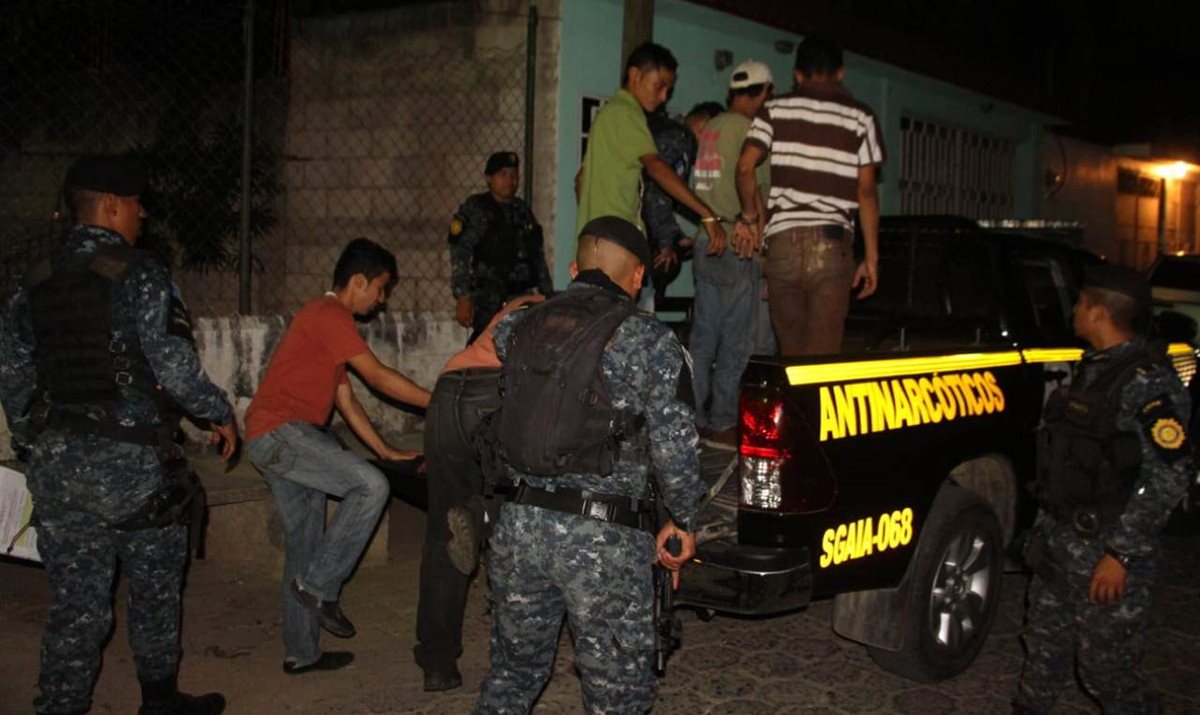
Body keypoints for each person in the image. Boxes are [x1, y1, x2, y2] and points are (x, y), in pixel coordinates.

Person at [0, 154, 237, 715]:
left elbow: (13, 374)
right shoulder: (140, 273)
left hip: (58, 467)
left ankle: (60, 704)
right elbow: (175, 368)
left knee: (76, 602)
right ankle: (160, 701)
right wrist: (219, 412)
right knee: (154, 589)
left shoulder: (30, 279)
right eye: (136, 204)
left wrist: (35, 440)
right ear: (110, 205)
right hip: (133, 471)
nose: (143, 214)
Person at [475, 216, 703, 714]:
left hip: (519, 526)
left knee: (512, 677)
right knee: (616, 694)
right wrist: (682, 520)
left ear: (574, 269)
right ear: (638, 276)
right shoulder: (650, 341)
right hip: (603, 542)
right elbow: (676, 446)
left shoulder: (517, 326)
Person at [244, 238, 431, 676]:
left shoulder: (325, 322)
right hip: (282, 433)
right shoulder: (329, 314)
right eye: (381, 289)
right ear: (359, 281)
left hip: (280, 437)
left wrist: (385, 449)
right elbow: (377, 377)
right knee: (371, 486)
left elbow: (346, 400)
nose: (381, 300)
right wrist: (437, 400)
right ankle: (320, 587)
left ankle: (302, 652)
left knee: (306, 545)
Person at [1014, 265, 1193, 714]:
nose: (1073, 310)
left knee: (1104, 671)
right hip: (1061, 546)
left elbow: (1170, 475)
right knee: (1043, 656)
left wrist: (1122, 555)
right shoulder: (1093, 369)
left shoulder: (1148, 383)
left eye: (1080, 302)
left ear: (1098, 312)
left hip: (1106, 552)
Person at [413, 292, 543, 692]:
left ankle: (438, 663)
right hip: (493, 394)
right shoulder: (552, 309)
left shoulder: (512, 307)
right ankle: (481, 513)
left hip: (447, 391)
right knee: (518, 511)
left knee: (443, 534)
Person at [733, 35, 885, 356]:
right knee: (821, 360)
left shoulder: (774, 109)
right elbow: (867, 191)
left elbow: (745, 167)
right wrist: (871, 258)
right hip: (831, 246)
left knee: (791, 357)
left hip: (782, 246)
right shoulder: (861, 117)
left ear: (797, 75)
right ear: (840, 72)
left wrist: (748, 217)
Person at [575, 42, 727, 269]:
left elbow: (580, 180)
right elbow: (656, 167)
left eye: (668, 90)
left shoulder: (608, 114)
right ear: (635, 75)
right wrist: (707, 214)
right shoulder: (628, 113)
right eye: (659, 86)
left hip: (594, 241)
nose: (664, 97)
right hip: (616, 240)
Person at [690, 60, 776, 447]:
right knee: (736, 341)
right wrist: (756, 230)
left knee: (704, 337)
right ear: (763, 92)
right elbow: (751, 182)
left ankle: (693, 416)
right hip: (737, 243)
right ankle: (723, 419)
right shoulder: (749, 130)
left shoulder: (712, 127)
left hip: (707, 238)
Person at [449, 151, 552, 343]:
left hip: (520, 297)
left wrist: (547, 294)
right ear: (489, 178)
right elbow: (460, 252)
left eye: (514, 174)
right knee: (484, 346)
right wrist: (463, 295)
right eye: (503, 174)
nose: (510, 180)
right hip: (487, 298)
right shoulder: (476, 208)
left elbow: (537, 256)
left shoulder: (522, 210)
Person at [638, 102, 721, 308]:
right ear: (704, 125)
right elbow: (657, 193)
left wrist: (676, 237)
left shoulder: (664, 129)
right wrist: (666, 243)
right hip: (640, 239)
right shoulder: (680, 139)